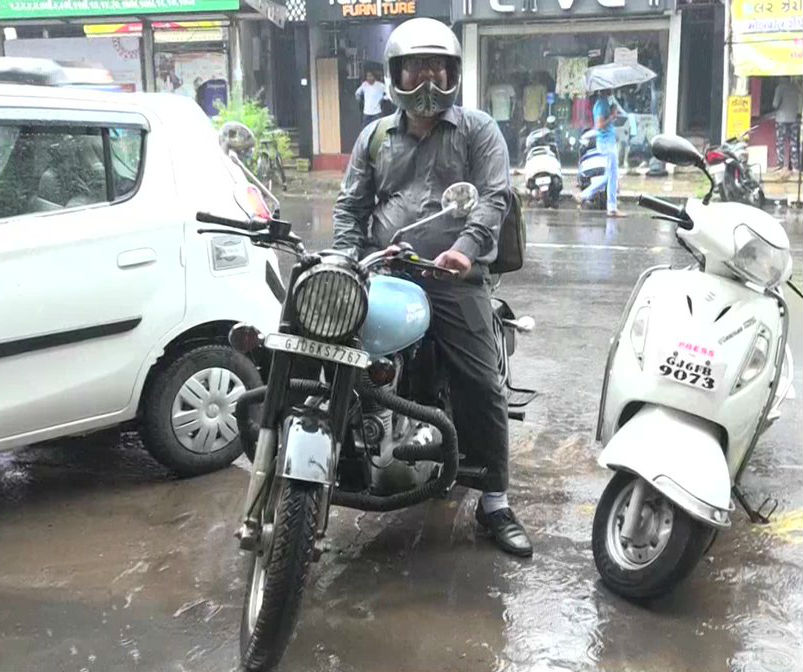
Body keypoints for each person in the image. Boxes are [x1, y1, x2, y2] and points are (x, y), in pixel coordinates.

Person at [333, 17, 533, 558]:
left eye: (439, 68)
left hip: (451, 275)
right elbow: (352, 206)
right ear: (396, 73)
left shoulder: (477, 130)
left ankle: (494, 499)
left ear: (454, 73)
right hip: (387, 267)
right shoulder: (374, 136)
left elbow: (493, 199)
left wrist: (463, 252)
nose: (428, 80)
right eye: (417, 68)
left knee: (480, 380)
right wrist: (349, 259)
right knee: (328, 350)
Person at [576, 88, 626, 217]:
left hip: (608, 142)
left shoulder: (604, 103)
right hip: (606, 144)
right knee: (612, 176)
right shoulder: (601, 104)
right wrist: (612, 116)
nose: (612, 90)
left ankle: (587, 196)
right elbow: (599, 125)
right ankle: (611, 207)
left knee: (610, 176)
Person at [772, 77, 802, 177]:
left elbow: (775, 104)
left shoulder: (779, 88)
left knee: (780, 143)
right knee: (794, 143)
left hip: (781, 119)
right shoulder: (796, 88)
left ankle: (781, 166)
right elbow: (800, 104)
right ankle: (795, 167)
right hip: (794, 118)